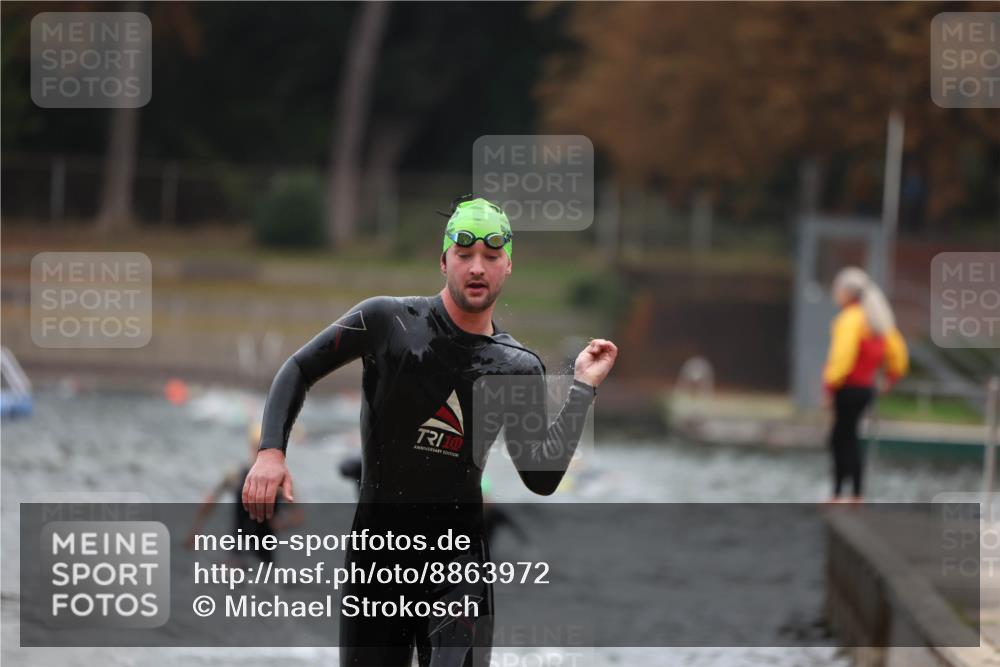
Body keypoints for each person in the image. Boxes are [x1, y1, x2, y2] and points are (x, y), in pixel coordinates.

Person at [242, 195, 617, 666]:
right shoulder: (386, 322)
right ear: (444, 261)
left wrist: (583, 386)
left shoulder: (516, 367)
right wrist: (271, 453)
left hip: (458, 567)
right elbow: (299, 368)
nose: (476, 268)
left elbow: (540, 478)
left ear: (508, 267)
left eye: (490, 257)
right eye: (464, 256)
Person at [822, 267, 908, 503]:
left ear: (848, 293)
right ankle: (856, 494)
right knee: (851, 437)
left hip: (848, 388)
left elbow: (842, 358)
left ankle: (838, 493)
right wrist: (891, 377)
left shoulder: (850, 319)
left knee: (840, 438)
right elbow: (898, 354)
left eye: (838, 289)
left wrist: (830, 386)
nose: (835, 293)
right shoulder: (877, 319)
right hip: (866, 389)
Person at [186, 423, 303, 564]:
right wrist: (195, 530)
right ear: (251, 448)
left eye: (264, 449)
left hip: (265, 555)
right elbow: (210, 500)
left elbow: (298, 517)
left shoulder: (281, 481)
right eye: (257, 448)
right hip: (237, 552)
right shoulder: (235, 475)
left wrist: (282, 524)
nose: (259, 454)